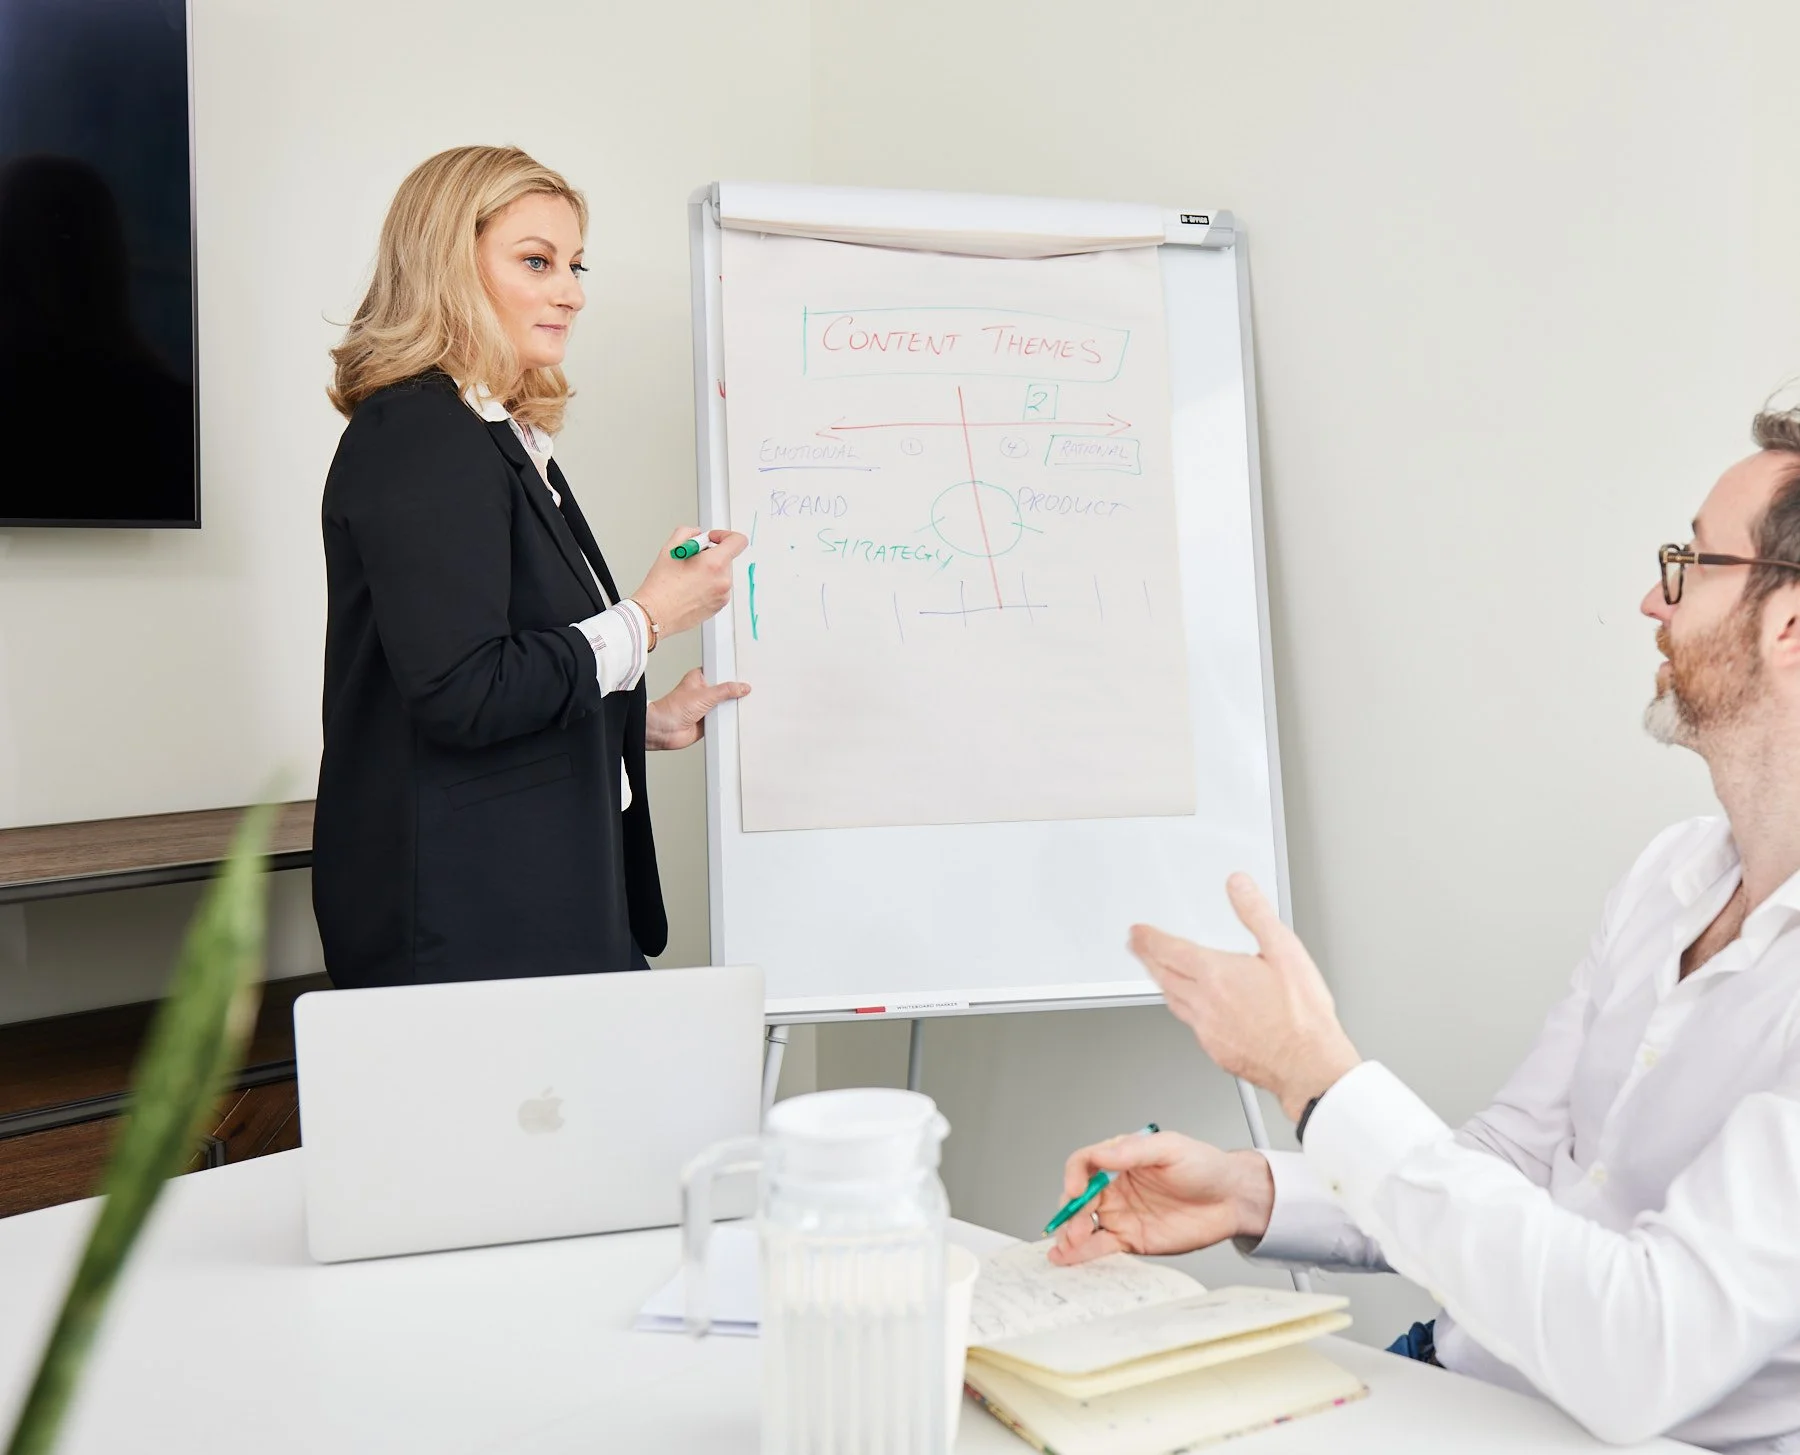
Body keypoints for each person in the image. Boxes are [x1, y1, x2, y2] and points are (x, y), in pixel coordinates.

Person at [1051, 403, 1800, 1452]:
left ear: (1789, 625)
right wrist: (1254, 1192)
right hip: (1451, 1382)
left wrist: (1318, 1080)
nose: (1650, 599)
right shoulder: (1669, 875)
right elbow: (1504, 1168)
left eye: (1688, 565)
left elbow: (1646, 1351)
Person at [314, 146, 747, 988]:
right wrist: (652, 616)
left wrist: (637, 719)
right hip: (467, 924)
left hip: (540, 905)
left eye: (575, 264)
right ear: (448, 268)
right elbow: (461, 690)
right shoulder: (418, 434)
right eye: (538, 261)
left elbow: (503, 668)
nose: (572, 291)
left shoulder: (494, 435)